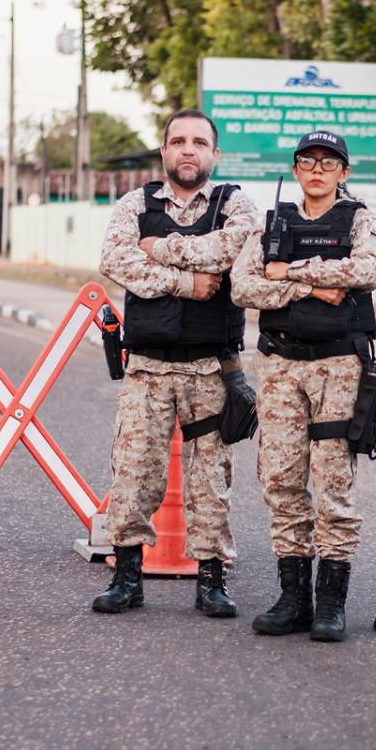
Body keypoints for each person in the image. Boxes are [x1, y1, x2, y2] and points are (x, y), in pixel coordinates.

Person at [90, 109, 258, 619]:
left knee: (211, 478)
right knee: (134, 473)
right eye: (178, 141)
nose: (188, 150)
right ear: (164, 151)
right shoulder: (133, 204)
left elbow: (234, 248)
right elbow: (116, 260)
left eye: (199, 142)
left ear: (214, 153)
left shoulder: (236, 204)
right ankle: (126, 577)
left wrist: (159, 249)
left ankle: (211, 581)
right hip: (147, 367)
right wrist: (187, 281)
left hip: (211, 367)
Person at [231, 130, 376, 642]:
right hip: (279, 367)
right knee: (280, 479)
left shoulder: (359, 218)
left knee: (333, 481)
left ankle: (331, 604)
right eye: (307, 161)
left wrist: (288, 270)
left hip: (339, 366)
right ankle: (293, 597)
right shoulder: (272, 222)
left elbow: (366, 271)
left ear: (344, 171)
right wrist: (314, 285)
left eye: (328, 162)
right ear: (296, 170)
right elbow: (242, 286)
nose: (317, 169)